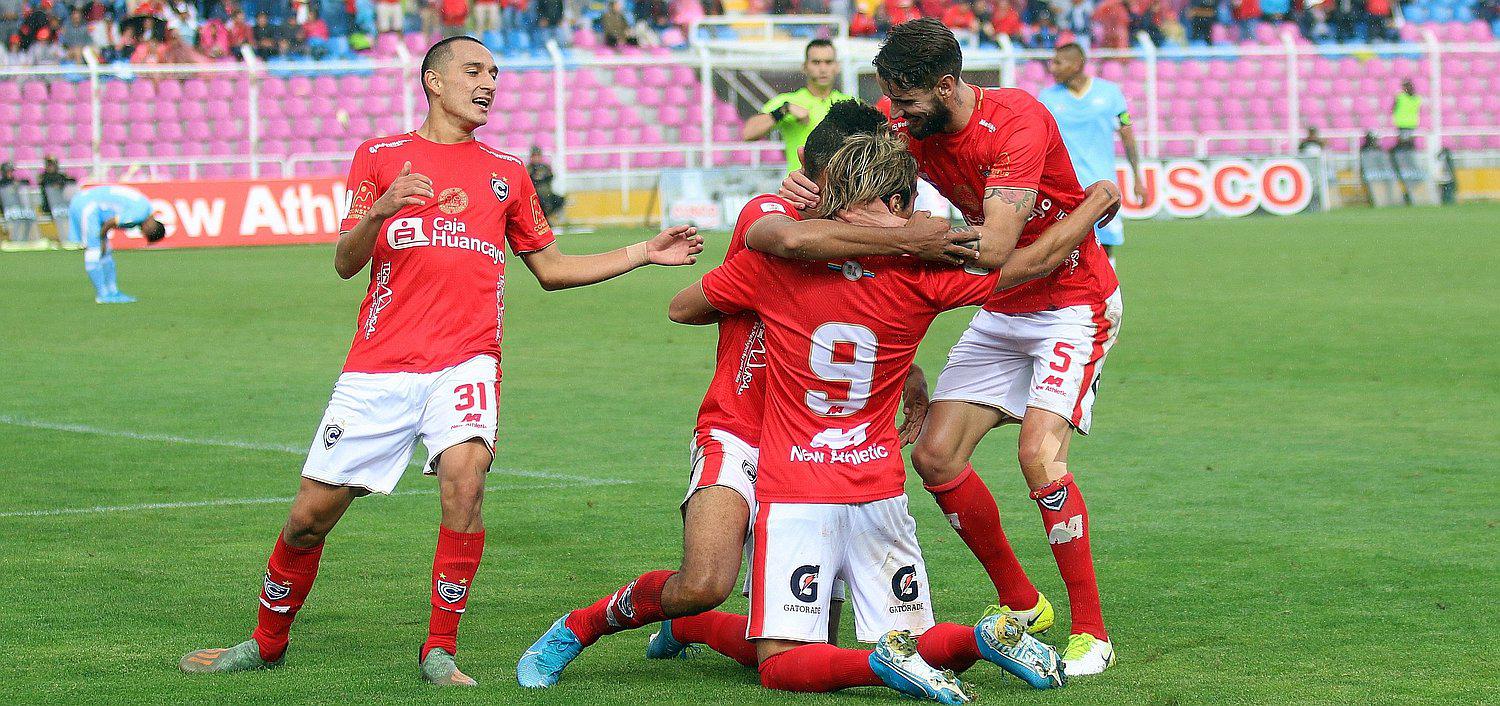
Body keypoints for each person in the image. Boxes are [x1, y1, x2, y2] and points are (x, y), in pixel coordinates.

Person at [177, 36, 704, 687]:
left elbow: (552, 268)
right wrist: (380, 210)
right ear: (433, 79)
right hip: (378, 368)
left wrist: (643, 253)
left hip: (466, 362)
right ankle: (266, 640)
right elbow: (346, 262)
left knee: (466, 477)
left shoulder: (506, 171)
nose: (488, 83)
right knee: (307, 520)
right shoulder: (379, 156)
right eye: (474, 70)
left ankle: (439, 650)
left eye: (495, 74)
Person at [516, 99, 994, 690]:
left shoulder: (871, 244)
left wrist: (907, 360)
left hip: (821, 447)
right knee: (704, 582)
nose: (871, 185)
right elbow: (791, 243)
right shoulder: (773, 213)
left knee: (807, 647)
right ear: (828, 170)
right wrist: (904, 236)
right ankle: (583, 625)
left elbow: (853, 310)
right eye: (861, 175)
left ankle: (694, 631)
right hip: (742, 425)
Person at [661, 129, 1120, 700]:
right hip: (796, 462)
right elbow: (1027, 263)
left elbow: (685, 306)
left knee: (797, 658)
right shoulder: (868, 258)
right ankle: (687, 623)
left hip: (834, 478)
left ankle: (986, 636)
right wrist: (1093, 207)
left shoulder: (812, 261)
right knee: (778, 644)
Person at [781, 19, 1122, 676]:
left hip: (1073, 303)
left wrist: (914, 236)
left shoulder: (1016, 123)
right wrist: (814, 189)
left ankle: (1092, 633)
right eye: (891, 100)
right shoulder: (907, 120)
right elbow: (852, 196)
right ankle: (1024, 603)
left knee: (1039, 457)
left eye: (906, 101)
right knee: (935, 456)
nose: (897, 115)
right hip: (1002, 306)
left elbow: (995, 251)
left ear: (946, 85)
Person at [1037, 42, 1145, 267]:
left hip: (1102, 187)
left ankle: (1107, 300)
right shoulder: (1046, 98)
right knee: (1064, 255)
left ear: (1077, 64)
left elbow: (1127, 135)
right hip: (1063, 190)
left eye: (1058, 62)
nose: (1052, 68)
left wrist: (1138, 178)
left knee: (1105, 251)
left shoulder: (1110, 93)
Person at [741, 39, 854, 173]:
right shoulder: (788, 101)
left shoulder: (850, 103)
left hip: (839, 188)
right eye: (816, 62)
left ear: (837, 66)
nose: (823, 69)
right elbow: (748, 133)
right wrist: (783, 111)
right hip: (798, 189)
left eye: (828, 62)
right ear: (804, 66)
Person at [66, 184, 167, 303]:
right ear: (151, 228)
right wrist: (102, 240)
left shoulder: (146, 207)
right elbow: (109, 223)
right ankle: (102, 294)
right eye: (145, 233)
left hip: (89, 202)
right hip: (87, 206)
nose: (141, 232)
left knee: (106, 251)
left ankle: (112, 292)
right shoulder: (139, 214)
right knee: (95, 249)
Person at [526, 146, 565, 218]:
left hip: (547, 194)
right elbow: (527, 182)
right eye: (534, 156)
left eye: (538, 156)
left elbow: (550, 177)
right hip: (535, 196)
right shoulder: (528, 168)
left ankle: (549, 217)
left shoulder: (545, 167)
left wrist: (541, 178)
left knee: (560, 200)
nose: (536, 158)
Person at [1392, 79, 1421, 145]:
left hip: (1401, 123)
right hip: (1412, 123)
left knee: (1401, 143)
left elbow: (1393, 108)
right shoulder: (1417, 98)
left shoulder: (1400, 97)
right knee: (1410, 143)